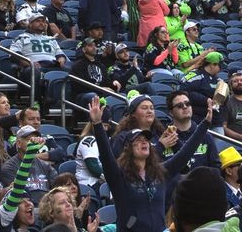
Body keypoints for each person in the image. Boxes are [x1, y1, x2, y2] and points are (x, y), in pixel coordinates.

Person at [87, 96, 212, 232]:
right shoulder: (119, 176)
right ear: (128, 148)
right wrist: (98, 124)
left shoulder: (159, 172)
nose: (144, 142)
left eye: (146, 139)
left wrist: (205, 123)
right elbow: (106, 155)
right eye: (138, 140)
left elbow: (185, 153)